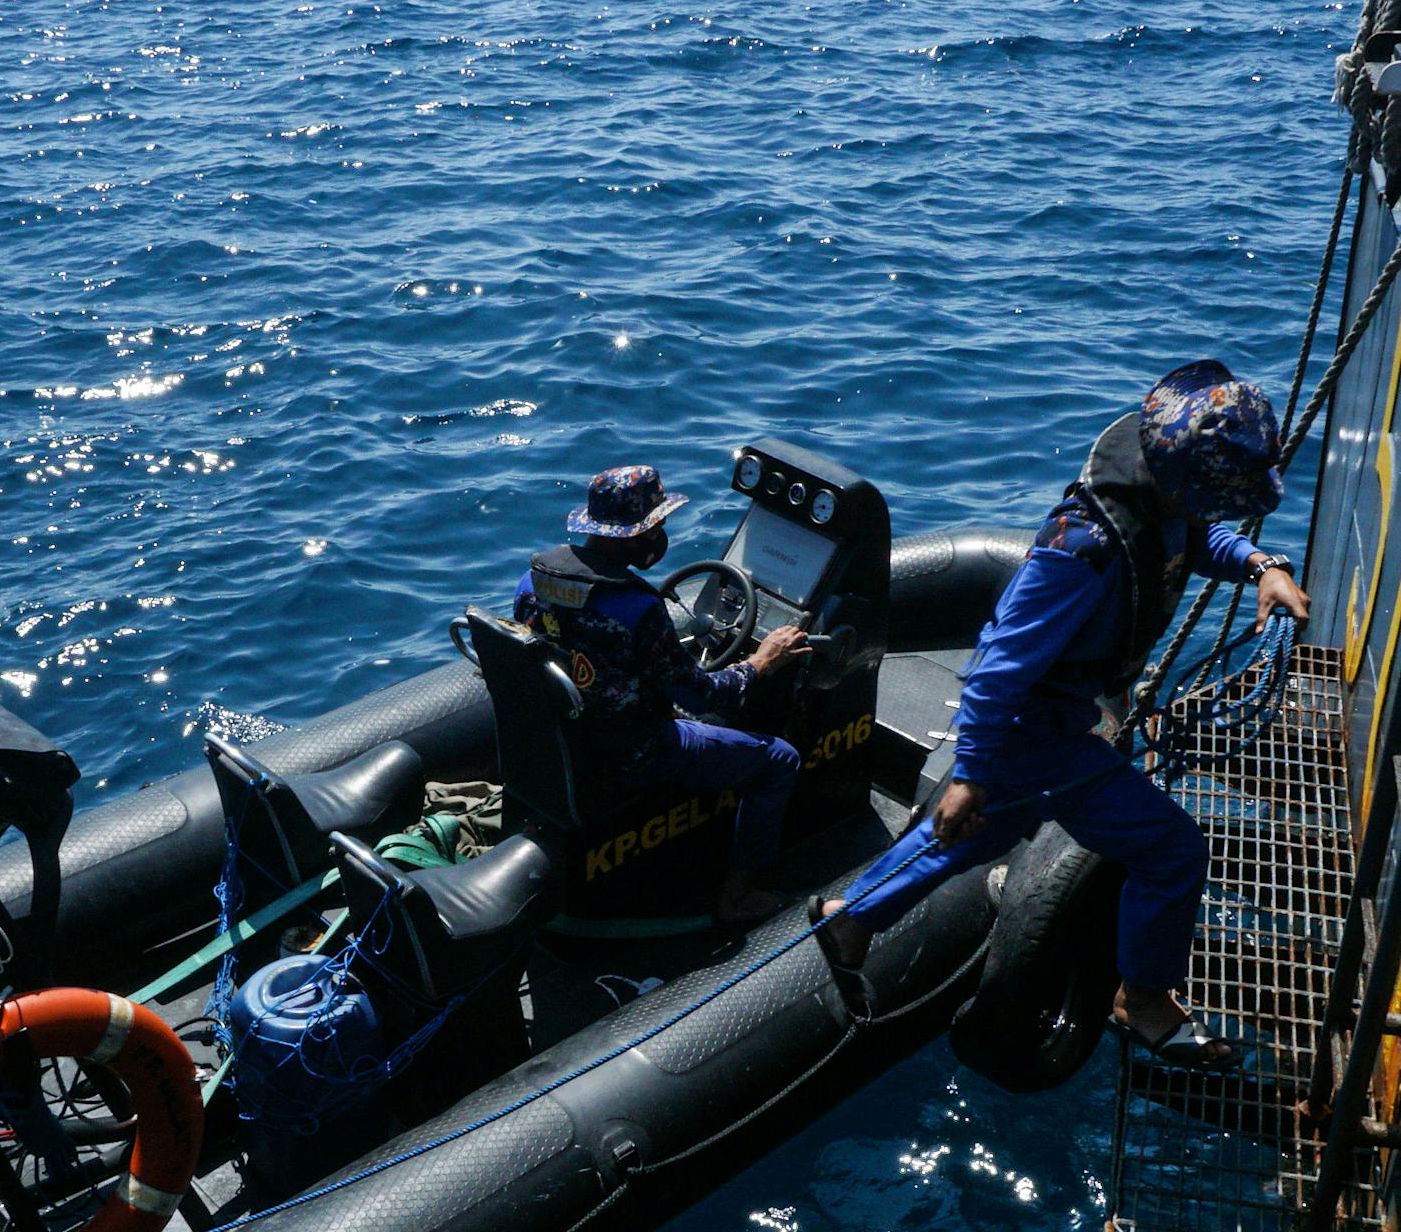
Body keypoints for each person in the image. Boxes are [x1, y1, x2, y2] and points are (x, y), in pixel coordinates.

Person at [812, 360, 1310, 1070]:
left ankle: (850, 920)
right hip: (1035, 730)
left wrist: (1262, 564)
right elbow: (995, 668)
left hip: (1055, 723)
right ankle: (1142, 1005)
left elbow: (1196, 541)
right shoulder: (1079, 552)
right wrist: (970, 772)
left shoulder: (1160, 503)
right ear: (1183, 482)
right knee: (1171, 849)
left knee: (985, 832)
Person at [514, 462, 810, 925]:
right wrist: (761, 662)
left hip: (570, 736)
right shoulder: (639, 609)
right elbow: (704, 697)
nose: (661, 533)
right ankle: (736, 898)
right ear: (635, 533)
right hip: (635, 751)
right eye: (657, 524)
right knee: (779, 761)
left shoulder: (533, 582)